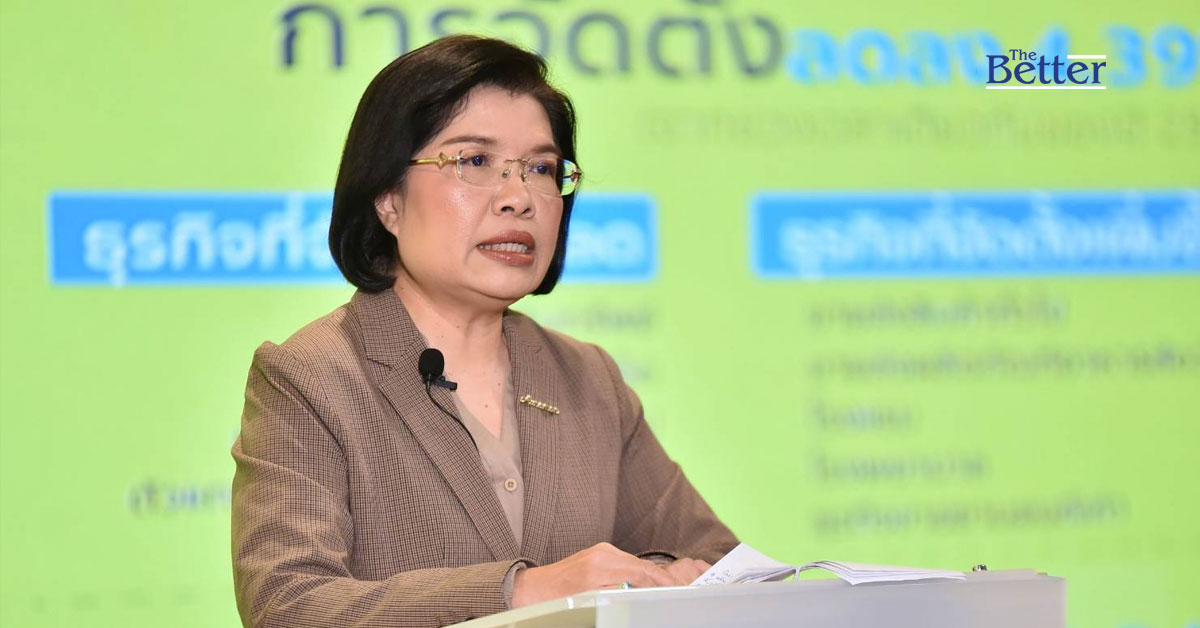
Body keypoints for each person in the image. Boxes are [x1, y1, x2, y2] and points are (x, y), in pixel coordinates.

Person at [230, 34, 738, 628]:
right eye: (474, 162)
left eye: (541, 169)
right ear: (389, 199)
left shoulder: (586, 376)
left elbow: (716, 561)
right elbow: (288, 606)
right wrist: (522, 591)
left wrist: (655, 579)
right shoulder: (311, 376)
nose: (519, 198)